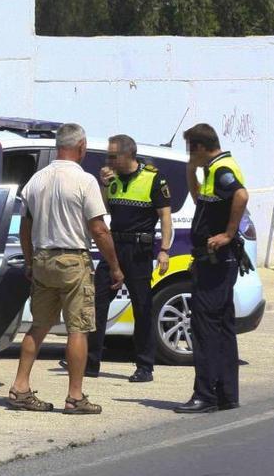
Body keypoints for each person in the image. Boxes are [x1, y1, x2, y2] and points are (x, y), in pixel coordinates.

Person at [8, 123, 124, 415]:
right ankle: (74, 396)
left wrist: (30, 260)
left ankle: (20, 386)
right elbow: (98, 229)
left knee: (39, 326)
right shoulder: (84, 181)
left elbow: (26, 226)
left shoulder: (37, 180)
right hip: (73, 261)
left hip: (44, 260)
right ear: (81, 146)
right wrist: (115, 266)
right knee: (78, 329)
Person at [63, 134, 172, 382]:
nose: (108, 160)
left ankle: (145, 366)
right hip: (114, 247)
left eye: (113, 156)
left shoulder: (153, 178)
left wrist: (164, 249)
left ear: (128, 154)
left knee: (142, 308)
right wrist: (102, 185)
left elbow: (165, 216)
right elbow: (104, 210)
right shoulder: (111, 179)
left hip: (139, 250)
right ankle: (90, 362)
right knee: (97, 303)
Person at [174, 123, 249, 414]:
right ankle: (226, 394)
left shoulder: (222, 169)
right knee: (223, 327)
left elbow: (241, 195)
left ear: (201, 147)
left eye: (190, 148)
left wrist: (229, 233)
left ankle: (205, 395)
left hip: (216, 261)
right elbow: (201, 203)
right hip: (215, 261)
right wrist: (190, 171)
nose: (189, 153)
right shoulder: (211, 170)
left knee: (205, 328)